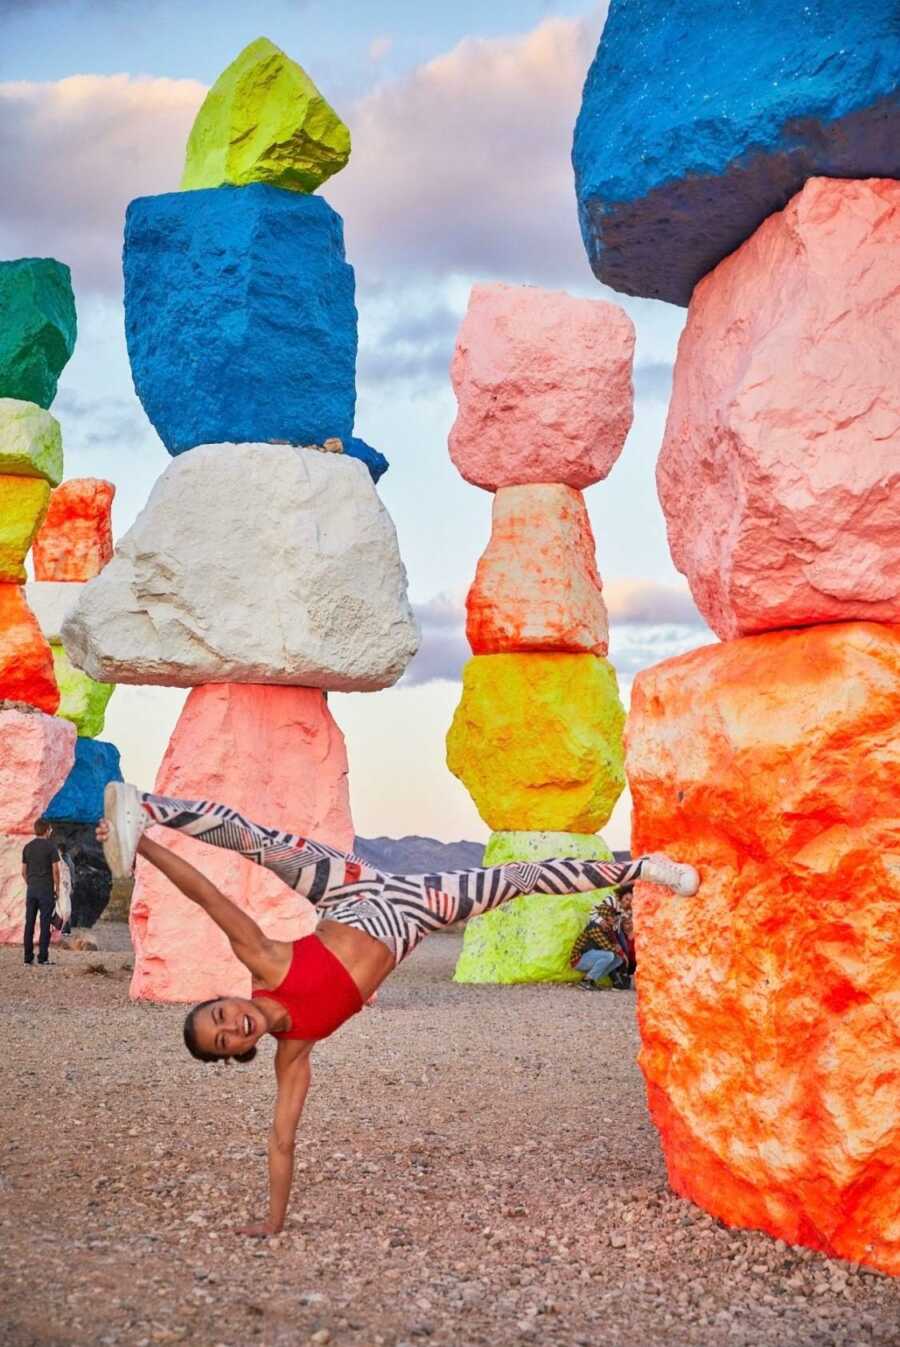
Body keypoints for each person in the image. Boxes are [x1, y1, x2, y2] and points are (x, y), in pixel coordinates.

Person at [99, 782, 701, 1238]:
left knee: (262, 846)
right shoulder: (296, 1050)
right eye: (225, 1040)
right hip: (414, 909)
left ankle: (144, 807)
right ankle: (643, 871)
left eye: (220, 1015)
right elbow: (281, 1142)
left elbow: (207, 894)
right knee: (518, 876)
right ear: (241, 1052)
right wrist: (272, 1224)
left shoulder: (263, 961)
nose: (232, 1026)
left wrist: (142, 848)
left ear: (228, 997)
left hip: (351, 889)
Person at [570, 881, 635, 990]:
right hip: (579, 960)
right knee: (609, 955)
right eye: (610, 917)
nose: (613, 919)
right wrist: (621, 953)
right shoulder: (595, 926)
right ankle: (586, 981)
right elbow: (606, 945)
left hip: (592, 956)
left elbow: (613, 937)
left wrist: (621, 954)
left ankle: (592, 979)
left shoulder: (609, 927)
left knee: (618, 959)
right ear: (604, 916)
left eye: (614, 918)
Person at [21, 818, 60, 967]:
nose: (51, 831)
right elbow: (55, 871)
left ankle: (27, 957)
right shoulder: (51, 847)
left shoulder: (27, 847)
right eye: (50, 829)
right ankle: (43, 957)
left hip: (31, 890)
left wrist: (31, 884)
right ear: (46, 830)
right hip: (46, 891)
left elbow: (23, 872)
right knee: (45, 924)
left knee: (29, 923)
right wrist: (57, 889)